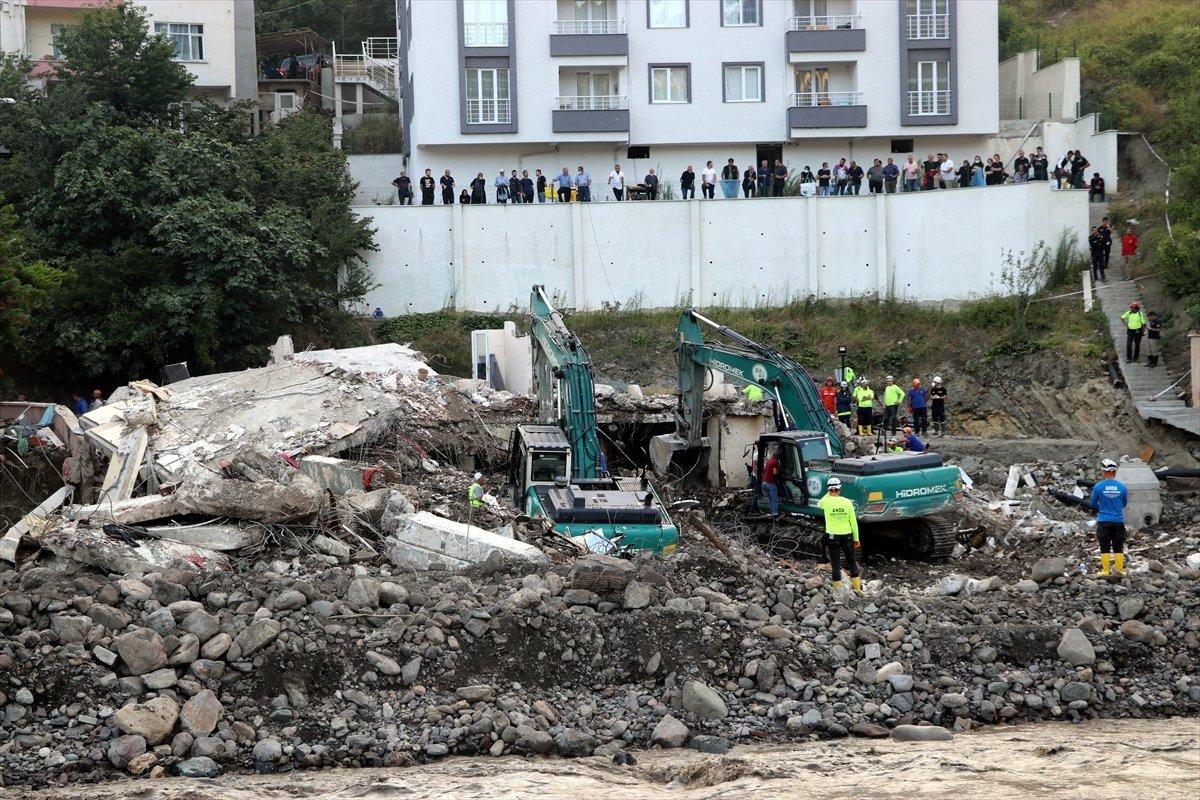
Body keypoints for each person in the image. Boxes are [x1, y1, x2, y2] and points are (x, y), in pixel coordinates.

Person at [817, 477, 863, 595]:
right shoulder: (847, 502)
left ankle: (838, 591)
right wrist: (856, 539)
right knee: (851, 561)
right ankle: (857, 589)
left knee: (835, 563)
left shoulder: (826, 502)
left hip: (832, 536)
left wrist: (829, 492)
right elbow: (853, 522)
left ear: (829, 489)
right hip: (847, 536)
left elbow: (819, 504)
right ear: (840, 489)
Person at [1089, 459, 1127, 576]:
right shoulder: (1122, 487)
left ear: (1104, 472)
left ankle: (1105, 571)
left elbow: (1093, 503)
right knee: (1118, 546)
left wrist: (1101, 510)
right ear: (1114, 472)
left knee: (1104, 546)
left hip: (1104, 520)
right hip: (1118, 521)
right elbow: (1124, 503)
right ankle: (1119, 570)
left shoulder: (1098, 487)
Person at [761, 448, 781, 517]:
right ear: (777, 455)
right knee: (774, 500)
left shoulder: (769, 461)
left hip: (764, 483)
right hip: (770, 483)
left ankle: (772, 513)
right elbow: (775, 473)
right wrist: (780, 471)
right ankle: (775, 515)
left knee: (770, 499)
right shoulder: (775, 462)